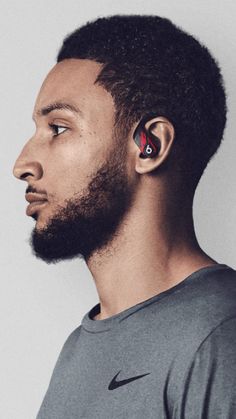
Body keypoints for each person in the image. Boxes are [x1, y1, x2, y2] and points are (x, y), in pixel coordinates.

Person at [13, 14, 236, 419]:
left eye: (58, 129)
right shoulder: (79, 348)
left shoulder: (221, 336)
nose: (23, 164)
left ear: (149, 146)